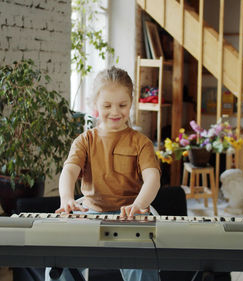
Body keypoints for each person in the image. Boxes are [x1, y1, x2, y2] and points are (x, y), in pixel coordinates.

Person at [46, 66, 161, 281]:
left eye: (122, 105)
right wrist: (67, 198)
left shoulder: (141, 143)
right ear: (95, 105)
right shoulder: (85, 140)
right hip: (90, 211)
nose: (115, 112)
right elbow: (69, 171)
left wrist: (138, 205)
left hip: (130, 216)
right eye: (107, 105)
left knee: (142, 262)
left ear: (131, 103)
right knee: (56, 264)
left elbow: (153, 179)